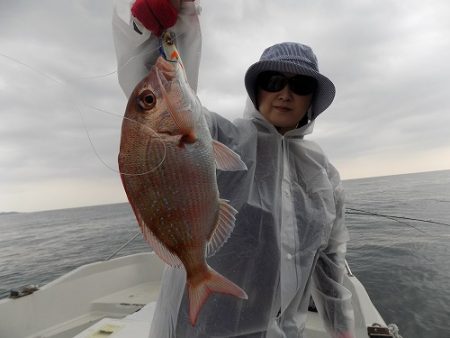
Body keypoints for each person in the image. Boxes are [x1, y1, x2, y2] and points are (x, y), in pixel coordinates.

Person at [112, 1, 355, 337]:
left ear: (312, 100)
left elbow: (329, 260)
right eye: (273, 80)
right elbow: (152, 97)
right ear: (257, 90)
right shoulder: (222, 135)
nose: (285, 93)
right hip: (199, 328)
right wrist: (147, 29)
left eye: (300, 86)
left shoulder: (323, 173)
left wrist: (342, 328)